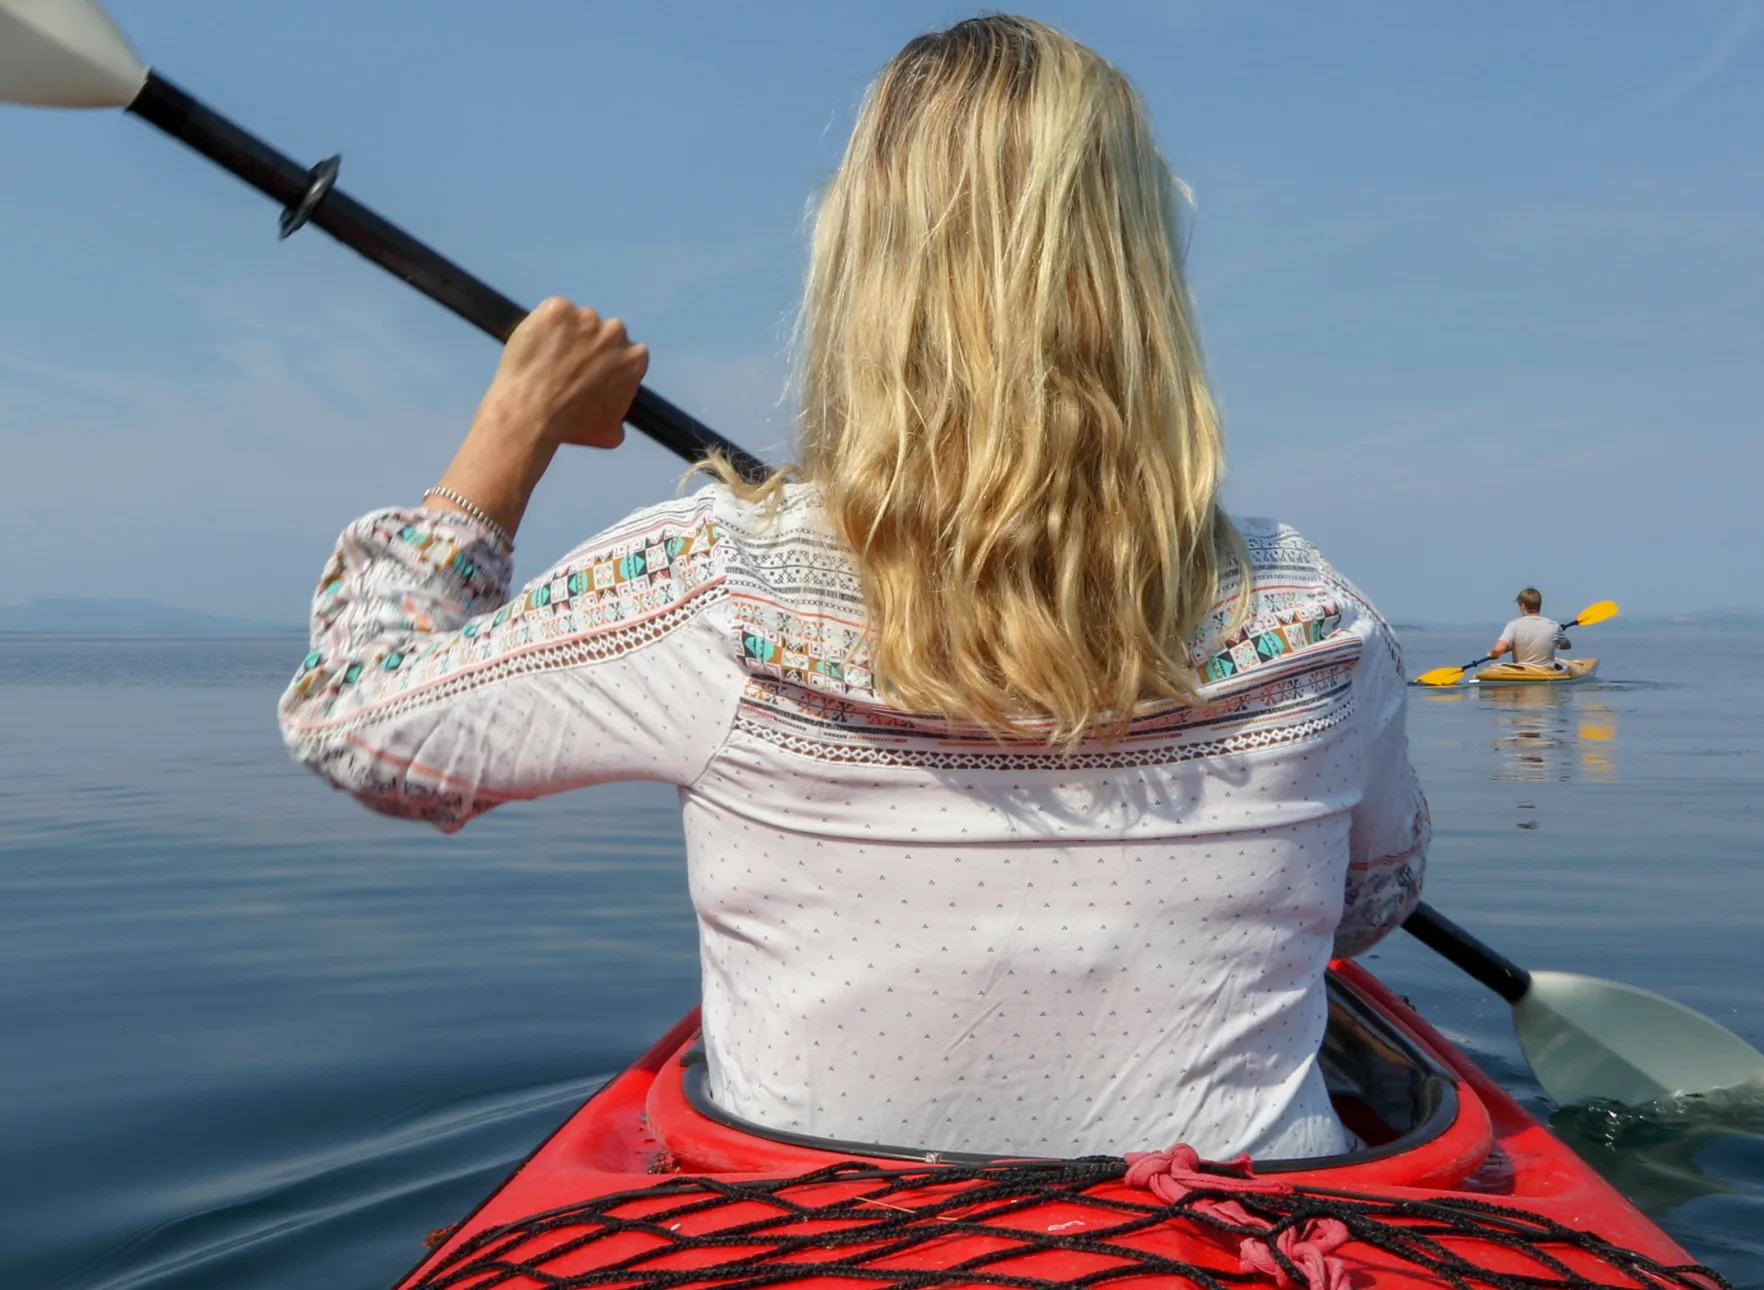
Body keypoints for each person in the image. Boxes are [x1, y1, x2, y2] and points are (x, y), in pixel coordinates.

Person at [279, 15, 1428, 1162]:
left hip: (812, 1235)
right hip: (1251, 1234)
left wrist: (514, 427)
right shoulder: (1317, 623)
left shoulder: (711, 586)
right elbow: (1371, 904)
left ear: (862, 264)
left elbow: (353, 715)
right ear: (1141, 272)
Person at [1488, 588, 1571, 669]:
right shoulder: (1554, 626)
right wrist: (1558, 638)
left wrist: (1492, 655)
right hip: (1546, 672)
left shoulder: (1513, 626)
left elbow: (1498, 650)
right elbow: (1566, 646)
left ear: (1523, 606)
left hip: (1523, 672)